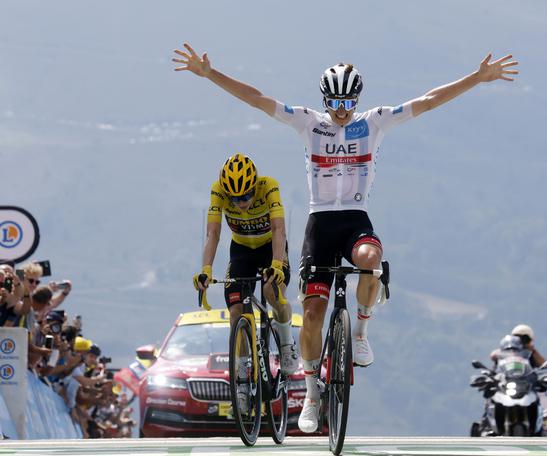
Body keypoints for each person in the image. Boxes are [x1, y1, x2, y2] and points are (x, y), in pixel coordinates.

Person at [174, 43, 519, 432]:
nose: (342, 110)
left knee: (371, 261)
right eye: (335, 102)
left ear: (357, 99)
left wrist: (477, 77)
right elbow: (257, 100)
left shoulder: (374, 122)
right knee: (314, 315)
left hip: (355, 220)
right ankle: (311, 393)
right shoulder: (309, 123)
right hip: (319, 224)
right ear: (325, 99)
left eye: (348, 102)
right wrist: (211, 74)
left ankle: (361, 331)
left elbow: (427, 102)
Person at [192, 154, 298, 379]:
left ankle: (287, 343)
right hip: (241, 252)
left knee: (272, 293)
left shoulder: (269, 186)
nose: (241, 203)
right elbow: (213, 233)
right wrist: (206, 270)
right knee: (235, 312)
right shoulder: (218, 191)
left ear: (254, 185)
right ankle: (240, 374)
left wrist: (277, 264)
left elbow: (279, 229)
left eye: (247, 195)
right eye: (235, 199)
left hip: (271, 248)